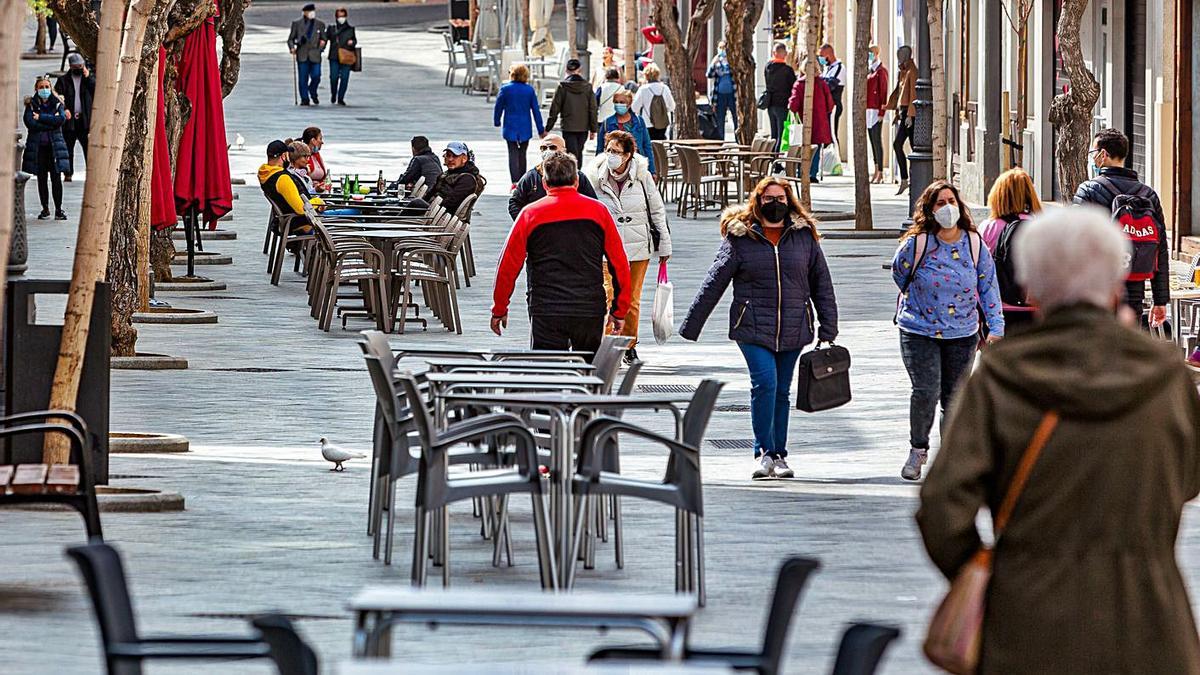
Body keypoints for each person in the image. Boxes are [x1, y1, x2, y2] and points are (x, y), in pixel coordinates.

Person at [917, 206, 1200, 674]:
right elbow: (1190, 477)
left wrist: (992, 569)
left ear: (1031, 289)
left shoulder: (1001, 378)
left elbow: (943, 505)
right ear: (1114, 285)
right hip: (1150, 620)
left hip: (1027, 622)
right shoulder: (1165, 374)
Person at [680, 177, 837, 479]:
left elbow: (822, 283)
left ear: (789, 200)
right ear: (758, 200)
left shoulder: (803, 237)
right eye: (768, 198)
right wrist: (692, 324)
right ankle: (763, 452)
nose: (774, 203)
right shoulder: (741, 237)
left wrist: (828, 326)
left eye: (780, 197)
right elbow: (715, 280)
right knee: (764, 384)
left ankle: (779, 454)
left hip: (794, 326)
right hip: (751, 326)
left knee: (781, 391)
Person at [892, 180, 1004, 481]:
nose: (947, 208)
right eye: (940, 203)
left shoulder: (973, 243)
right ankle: (918, 449)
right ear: (930, 209)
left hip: (963, 332)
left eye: (951, 201)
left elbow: (988, 285)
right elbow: (899, 272)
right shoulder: (918, 244)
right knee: (925, 390)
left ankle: (950, 459)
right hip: (919, 330)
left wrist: (996, 325)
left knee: (954, 397)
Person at [491, 152, 632, 355]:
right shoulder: (599, 212)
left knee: (548, 376)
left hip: (546, 308)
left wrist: (499, 308)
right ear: (576, 181)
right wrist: (619, 310)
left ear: (545, 183)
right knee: (588, 375)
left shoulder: (530, 214)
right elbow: (619, 263)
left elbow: (508, 266)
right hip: (589, 307)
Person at [585, 130, 671, 364]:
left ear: (628, 155)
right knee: (608, 295)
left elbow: (657, 210)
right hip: (606, 248)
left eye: (616, 152)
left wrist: (664, 246)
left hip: (638, 246)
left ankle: (629, 344)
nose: (611, 156)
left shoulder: (642, 175)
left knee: (632, 299)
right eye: (608, 150)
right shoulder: (594, 176)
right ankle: (607, 343)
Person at [1072, 127, 1170, 327]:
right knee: (1125, 345)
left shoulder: (1089, 190)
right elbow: (1160, 248)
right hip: (1134, 286)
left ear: (1103, 154)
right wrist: (1160, 300)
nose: (1092, 159)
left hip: (1096, 287)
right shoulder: (1148, 195)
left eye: (1093, 153)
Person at [979, 168, 1043, 334]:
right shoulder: (1042, 226)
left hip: (998, 310)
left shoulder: (988, 227)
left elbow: (978, 270)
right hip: (1034, 308)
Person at [508, 134, 597, 219]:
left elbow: (593, 203)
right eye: (543, 148)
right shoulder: (531, 177)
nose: (547, 151)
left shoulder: (577, 176)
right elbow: (514, 203)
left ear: (563, 150)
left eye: (552, 147)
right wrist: (527, 223)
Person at [22, 76, 69, 221]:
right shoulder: (31, 105)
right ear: (36, 89)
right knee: (42, 179)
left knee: (56, 179)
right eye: (41, 87)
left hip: (55, 147)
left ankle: (59, 210)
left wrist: (41, 117)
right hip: (39, 148)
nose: (44, 90)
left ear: (51, 88)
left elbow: (60, 120)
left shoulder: (57, 103)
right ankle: (45, 208)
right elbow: (30, 123)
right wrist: (50, 121)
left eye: (47, 87)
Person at [494, 64, 545, 186]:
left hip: (510, 125)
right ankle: (522, 180)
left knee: (512, 153)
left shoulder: (505, 89)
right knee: (522, 154)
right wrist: (540, 129)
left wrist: (497, 120)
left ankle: (514, 182)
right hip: (525, 127)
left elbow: (498, 107)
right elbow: (535, 110)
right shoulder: (529, 90)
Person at [546, 58, 598, 166]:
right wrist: (593, 129)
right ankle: (577, 175)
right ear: (580, 70)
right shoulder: (587, 87)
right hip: (583, 126)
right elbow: (593, 109)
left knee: (571, 153)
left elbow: (555, 108)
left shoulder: (562, 87)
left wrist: (548, 127)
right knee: (579, 152)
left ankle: (573, 175)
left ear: (567, 70)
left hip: (568, 125)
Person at [258, 140, 314, 237]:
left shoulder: (265, 174)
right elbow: (301, 209)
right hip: (301, 221)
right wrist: (319, 202)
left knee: (345, 212)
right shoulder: (282, 178)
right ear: (284, 156)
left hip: (287, 220)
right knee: (348, 213)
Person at [787, 72, 834, 182]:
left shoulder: (799, 84)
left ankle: (802, 172)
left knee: (803, 147)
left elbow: (793, 105)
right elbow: (830, 104)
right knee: (816, 148)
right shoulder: (822, 83)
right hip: (819, 122)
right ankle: (813, 173)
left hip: (804, 122)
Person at [54, 53, 94, 182]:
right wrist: (64, 109)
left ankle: (91, 173)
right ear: (70, 67)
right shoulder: (63, 81)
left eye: (80, 66)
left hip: (84, 121)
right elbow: (57, 98)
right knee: (68, 149)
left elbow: (96, 91)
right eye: (75, 66)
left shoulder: (88, 80)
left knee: (88, 149)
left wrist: (88, 77)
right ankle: (68, 173)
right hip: (69, 121)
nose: (78, 69)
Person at [596, 90, 656, 175]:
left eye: (622, 102)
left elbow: (647, 146)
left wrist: (652, 170)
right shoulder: (607, 123)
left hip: (637, 166)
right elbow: (600, 149)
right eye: (616, 102)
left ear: (629, 104)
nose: (618, 104)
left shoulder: (638, 121)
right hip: (614, 168)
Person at [886, 45, 917, 194]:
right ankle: (906, 179)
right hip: (904, 113)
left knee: (908, 146)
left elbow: (912, 95)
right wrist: (897, 113)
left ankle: (910, 179)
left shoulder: (912, 71)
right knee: (900, 145)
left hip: (909, 115)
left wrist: (911, 115)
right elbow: (899, 94)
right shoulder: (903, 72)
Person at [430, 141, 485, 215]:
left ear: (464, 159)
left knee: (416, 204)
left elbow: (451, 204)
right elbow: (430, 194)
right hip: (433, 211)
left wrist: (429, 208)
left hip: (443, 217)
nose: (450, 159)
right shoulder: (446, 174)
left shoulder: (467, 179)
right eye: (448, 156)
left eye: (455, 156)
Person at [287, 3, 326, 106]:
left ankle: (312, 91)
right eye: (309, 11)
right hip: (302, 54)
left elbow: (324, 38)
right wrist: (292, 48)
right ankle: (304, 98)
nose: (311, 13)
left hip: (315, 54)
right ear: (304, 12)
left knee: (316, 76)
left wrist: (321, 47)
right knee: (302, 78)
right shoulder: (297, 24)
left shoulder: (320, 24)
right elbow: (291, 39)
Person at [763, 42, 796, 152]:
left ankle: (772, 159)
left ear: (774, 53)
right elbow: (793, 86)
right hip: (782, 105)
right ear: (785, 54)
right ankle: (776, 163)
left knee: (774, 134)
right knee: (781, 135)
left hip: (770, 104)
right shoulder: (787, 71)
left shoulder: (768, 68)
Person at [631, 64, 674, 141]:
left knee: (649, 145)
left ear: (646, 76)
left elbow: (634, 108)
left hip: (647, 122)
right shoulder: (665, 88)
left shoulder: (643, 89)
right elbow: (672, 106)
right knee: (660, 145)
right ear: (658, 75)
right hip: (662, 122)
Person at [865, 45, 888, 184]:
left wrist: (881, 111)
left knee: (877, 140)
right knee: (872, 142)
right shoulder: (869, 70)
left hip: (875, 110)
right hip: (868, 110)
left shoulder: (881, 72)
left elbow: (883, 92)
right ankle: (875, 169)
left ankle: (880, 172)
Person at [324, 7, 356, 106]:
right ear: (336, 17)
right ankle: (334, 93)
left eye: (343, 16)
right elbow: (325, 38)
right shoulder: (331, 28)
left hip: (346, 56)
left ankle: (341, 98)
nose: (341, 18)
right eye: (339, 16)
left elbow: (354, 40)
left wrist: (352, 42)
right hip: (334, 56)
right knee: (333, 77)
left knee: (345, 78)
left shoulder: (350, 29)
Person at [706, 42, 736, 140]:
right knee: (720, 119)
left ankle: (738, 139)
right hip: (719, 95)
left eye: (724, 48)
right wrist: (713, 63)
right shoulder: (717, 61)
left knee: (736, 118)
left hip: (733, 94)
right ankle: (720, 140)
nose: (722, 50)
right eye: (720, 47)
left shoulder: (733, 60)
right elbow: (709, 75)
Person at [818, 44, 846, 140]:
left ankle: (835, 154)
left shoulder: (839, 68)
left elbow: (829, 86)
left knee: (832, 135)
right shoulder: (827, 69)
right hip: (826, 107)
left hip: (833, 106)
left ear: (828, 55)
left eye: (822, 56)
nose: (820, 59)